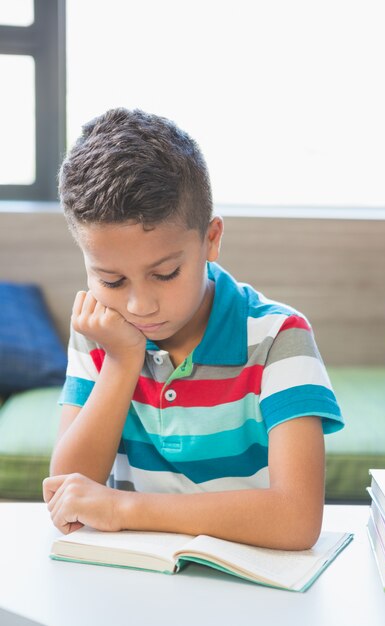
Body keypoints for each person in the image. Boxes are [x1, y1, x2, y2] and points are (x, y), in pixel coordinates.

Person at [43, 107, 344, 550]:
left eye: (165, 274)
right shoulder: (100, 334)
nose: (139, 305)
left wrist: (124, 509)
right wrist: (123, 362)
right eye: (111, 280)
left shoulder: (279, 338)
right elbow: (66, 497)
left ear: (211, 239)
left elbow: (296, 520)